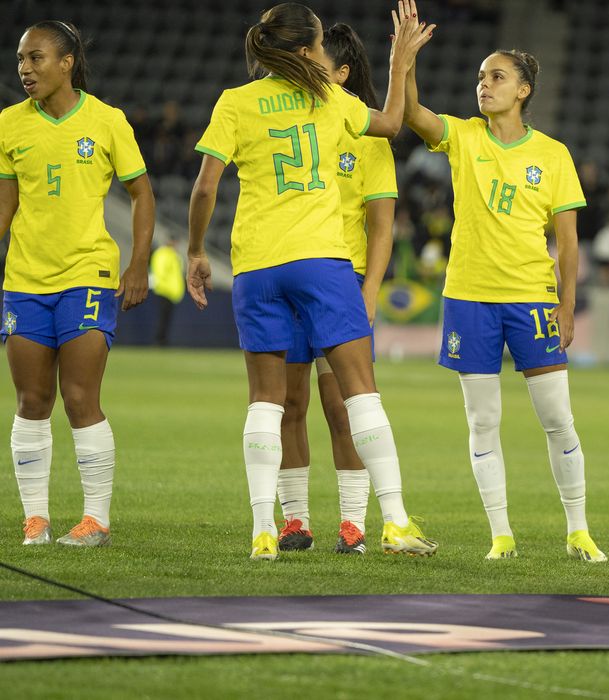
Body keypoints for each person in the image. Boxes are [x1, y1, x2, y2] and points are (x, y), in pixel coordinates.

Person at [186, 2, 436, 561]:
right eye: (321, 46)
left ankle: (263, 529)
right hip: (322, 261)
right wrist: (399, 63)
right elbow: (392, 123)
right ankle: (393, 520)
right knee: (360, 393)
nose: (326, 55)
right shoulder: (331, 100)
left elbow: (205, 188)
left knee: (266, 401)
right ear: (305, 51)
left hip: (256, 264)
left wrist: (197, 249)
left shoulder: (235, 102)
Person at [398, 0, 605, 562]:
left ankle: (578, 529)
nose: (483, 86)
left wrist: (566, 307)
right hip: (469, 298)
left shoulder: (553, 155)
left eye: (497, 77)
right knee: (482, 421)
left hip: (531, 300)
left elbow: (567, 242)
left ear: (524, 91)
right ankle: (501, 535)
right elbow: (412, 113)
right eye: (480, 77)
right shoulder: (463, 137)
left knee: (558, 419)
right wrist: (405, 60)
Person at [1, 21, 154, 548]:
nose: (24, 69)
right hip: (24, 280)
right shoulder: (9, 125)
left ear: (66, 62)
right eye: (21, 59)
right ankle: (36, 520)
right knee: (31, 399)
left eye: (36, 58)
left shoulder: (108, 121)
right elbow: (4, 205)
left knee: (80, 395)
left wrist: (138, 264)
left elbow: (142, 193)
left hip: (88, 274)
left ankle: (95, 520)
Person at [273, 23, 400, 556]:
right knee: (288, 402)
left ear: (341, 73)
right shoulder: (292, 123)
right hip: (288, 271)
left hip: (341, 282)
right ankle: (294, 520)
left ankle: (353, 524)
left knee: (342, 404)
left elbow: (382, 226)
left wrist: (370, 289)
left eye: (319, 63)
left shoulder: (368, 138)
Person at [149, 237, 184, 346]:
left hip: (171, 292)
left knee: (166, 318)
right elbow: (160, 271)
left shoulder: (175, 255)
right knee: (162, 317)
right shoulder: (163, 254)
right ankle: (159, 340)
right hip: (163, 290)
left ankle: (162, 339)